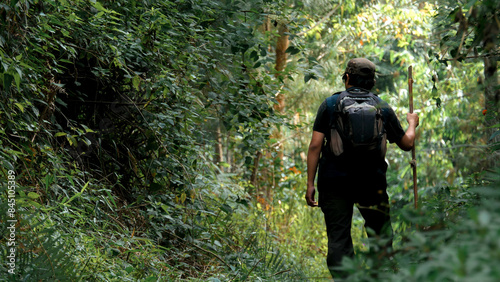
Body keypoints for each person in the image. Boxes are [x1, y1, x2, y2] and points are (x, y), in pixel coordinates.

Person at [305, 58, 419, 279]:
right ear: (372, 82)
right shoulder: (382, 106)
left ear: (347, 78)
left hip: (334, 184)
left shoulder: (330, 104)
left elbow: (315, 146)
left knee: (339, 239)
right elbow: (407, 144)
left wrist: (310, 184)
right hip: (372, 183)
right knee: (381, 237)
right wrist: (412, 123)